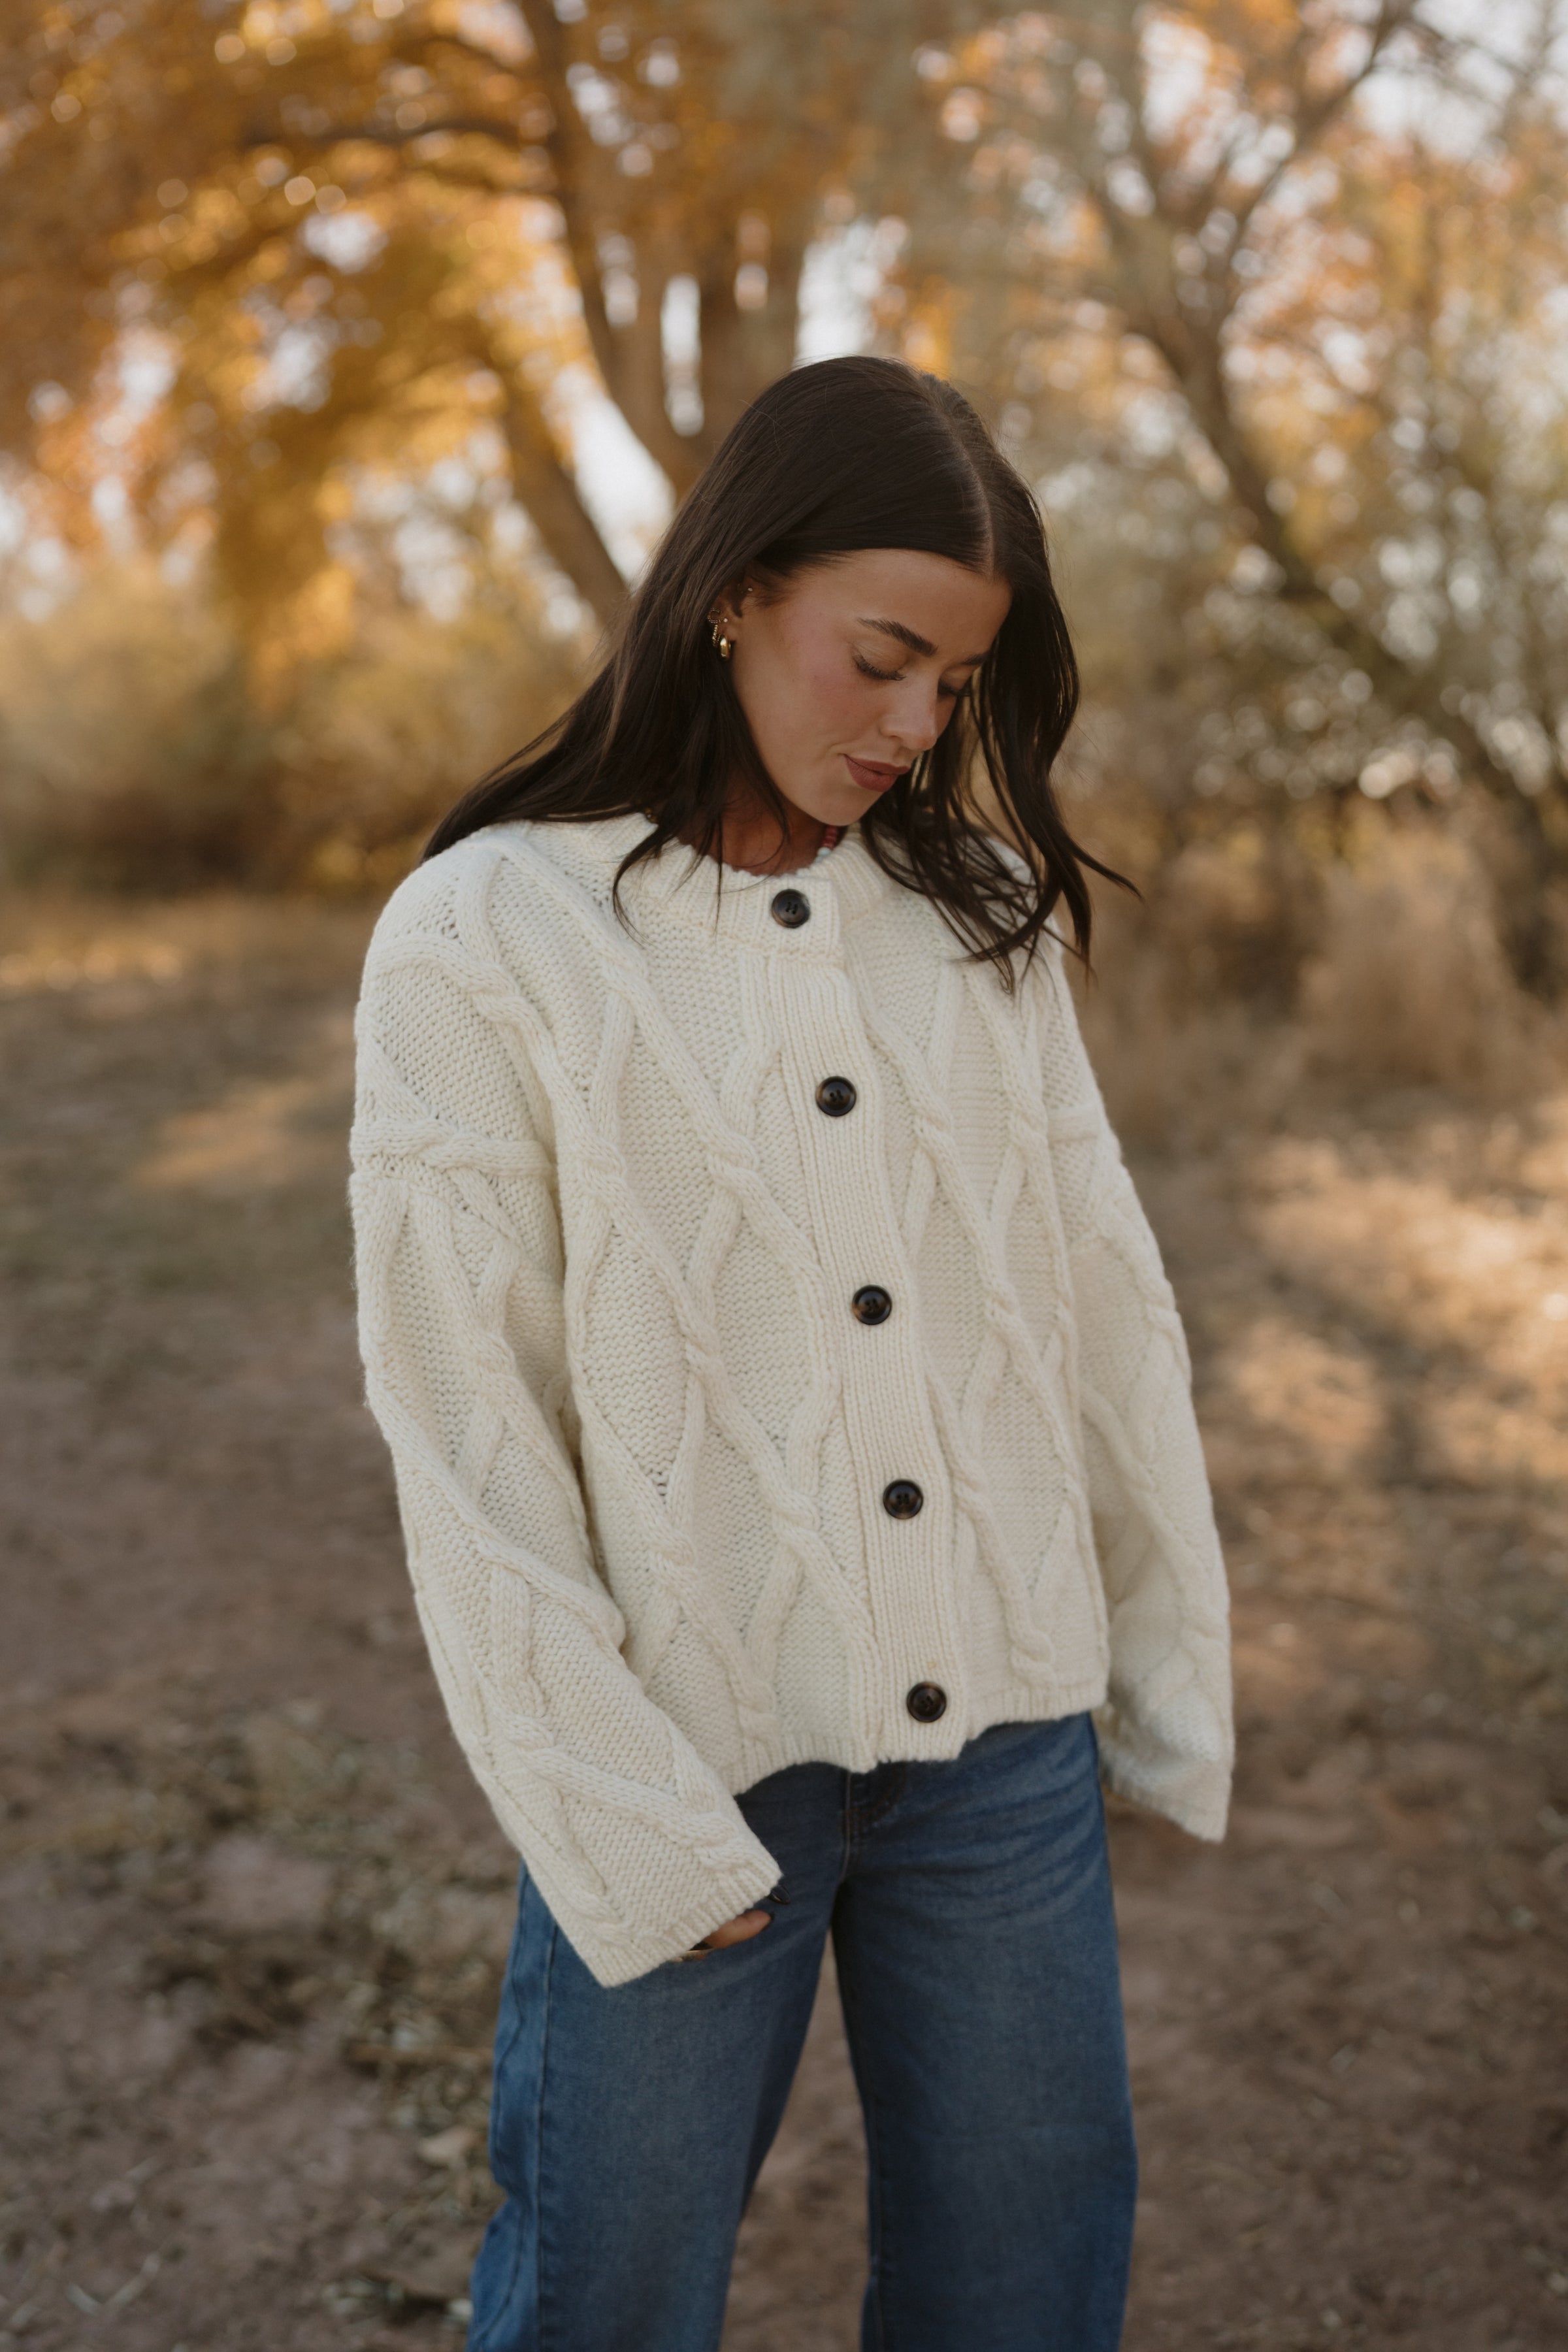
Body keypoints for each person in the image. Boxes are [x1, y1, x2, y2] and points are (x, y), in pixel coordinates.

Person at [350, 354, 1232, 2352]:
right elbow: (464, 1421)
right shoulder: (488, 935)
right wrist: (618, 1810)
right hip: (690, 1748)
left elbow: (1099, 1304)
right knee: (609, 2306)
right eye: (882, 659)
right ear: (738, 592)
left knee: (1024, 2294)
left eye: (957, 686)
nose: (914, 727)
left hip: (1000, 1747)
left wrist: (1156, 1672)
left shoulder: (982, 921)